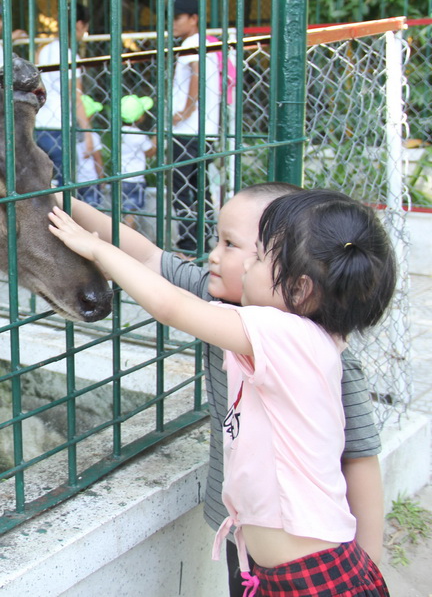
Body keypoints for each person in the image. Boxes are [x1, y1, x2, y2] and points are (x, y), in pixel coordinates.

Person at [49, 188, 394, 596]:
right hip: (267, 564)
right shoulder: (281, 323)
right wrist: (53, 197)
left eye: (256, 255)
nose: (223, 257)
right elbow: (151, 261)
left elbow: (171, 306)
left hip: (310, 576)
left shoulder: (287, 333)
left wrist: (95, 249)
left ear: (300, 289)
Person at [169, 0, 222, 252]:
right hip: (206, 130)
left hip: (188, 130)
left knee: (183, 188)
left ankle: (190, 244)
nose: (173, 24)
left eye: (178, 18)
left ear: (194, 18)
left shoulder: (193, 42)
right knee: (201, 188)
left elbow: (196, 75)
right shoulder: (207, 43)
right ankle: (205, 240)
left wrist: (185, 111)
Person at [34, 5, 94, 185]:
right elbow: (75, 97)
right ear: (80, 24)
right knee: (64, 184)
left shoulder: (43, 51)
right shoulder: (68, 55)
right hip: (59, 128)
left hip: (39, 126)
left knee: (42, 183)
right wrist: (88, 132)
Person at [115, 95, 157, 230]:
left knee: (123, 209)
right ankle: (127, 235)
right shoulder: (138, 135)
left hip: (121, 177)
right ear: (140, 117)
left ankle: (121, 234)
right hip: (135, 179)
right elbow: (150, 151)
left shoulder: (119, 133)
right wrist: (156, 136)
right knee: (131, 211)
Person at [73, 95, 105, 206]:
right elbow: (98, 160)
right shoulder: (92, 137)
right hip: (90, 180)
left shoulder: (68, 136)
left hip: (74, 180)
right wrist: (101, 178)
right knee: (93, 210)